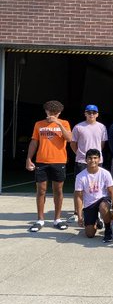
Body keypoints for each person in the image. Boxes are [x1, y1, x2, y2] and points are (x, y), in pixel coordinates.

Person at [26, 99, 72, 232]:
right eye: (51, 112)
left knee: (58, 190)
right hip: (42, 161)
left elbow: (69, 138)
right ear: (46, 111)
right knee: (41, 190)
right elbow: (34, 142)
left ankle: (57, 219)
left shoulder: (64, 123)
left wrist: (58, 123)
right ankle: (40, 219)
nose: (53, 114)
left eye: (56, 112)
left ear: (60, 112)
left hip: (59, 161)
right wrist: (29, 159)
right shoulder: (38, 124)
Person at [71, 106, 108, 225]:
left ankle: (96, 212)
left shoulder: (102, 127)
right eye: (89, 112)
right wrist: (81, 155)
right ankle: (77, 212)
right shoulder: (78, 127)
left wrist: (94, 158)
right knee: (79, 189)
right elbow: (73, 144)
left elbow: (102, 144)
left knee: (97, 187)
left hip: (97, 161)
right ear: (85, 113)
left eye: (94, 112)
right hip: (82, 161)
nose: (91, 114)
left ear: (97, 114)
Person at [74, 149, 113, 243]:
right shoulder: (80, 176)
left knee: (103, 207)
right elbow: (79, 197)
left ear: (99, 159)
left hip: (102, 199)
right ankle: (97, 220)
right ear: (85, 160)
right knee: (90, 234)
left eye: (95, 158)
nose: (92, 160)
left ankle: (108, 229)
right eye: (89, 158)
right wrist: (80, 215)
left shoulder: (105, 173)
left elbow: (111, 192)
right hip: (89, 204)